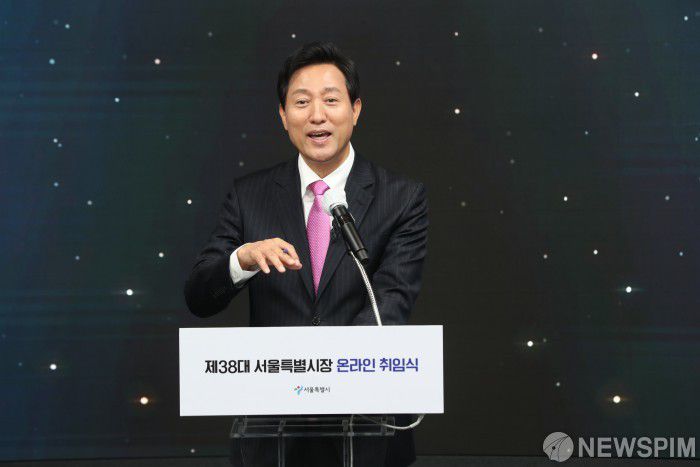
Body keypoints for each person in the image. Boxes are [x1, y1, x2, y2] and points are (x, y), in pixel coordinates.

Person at [184, 41, 428, 467]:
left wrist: (324, 373)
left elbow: (390, 302)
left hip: (365, 423)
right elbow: (200, 297)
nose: (317, 115)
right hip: (271, 431)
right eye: (301, 102)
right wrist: (241, 260)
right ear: (283, 115)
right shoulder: (249, 196)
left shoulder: (402, 197)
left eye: (331, 100)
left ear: (355, 109)